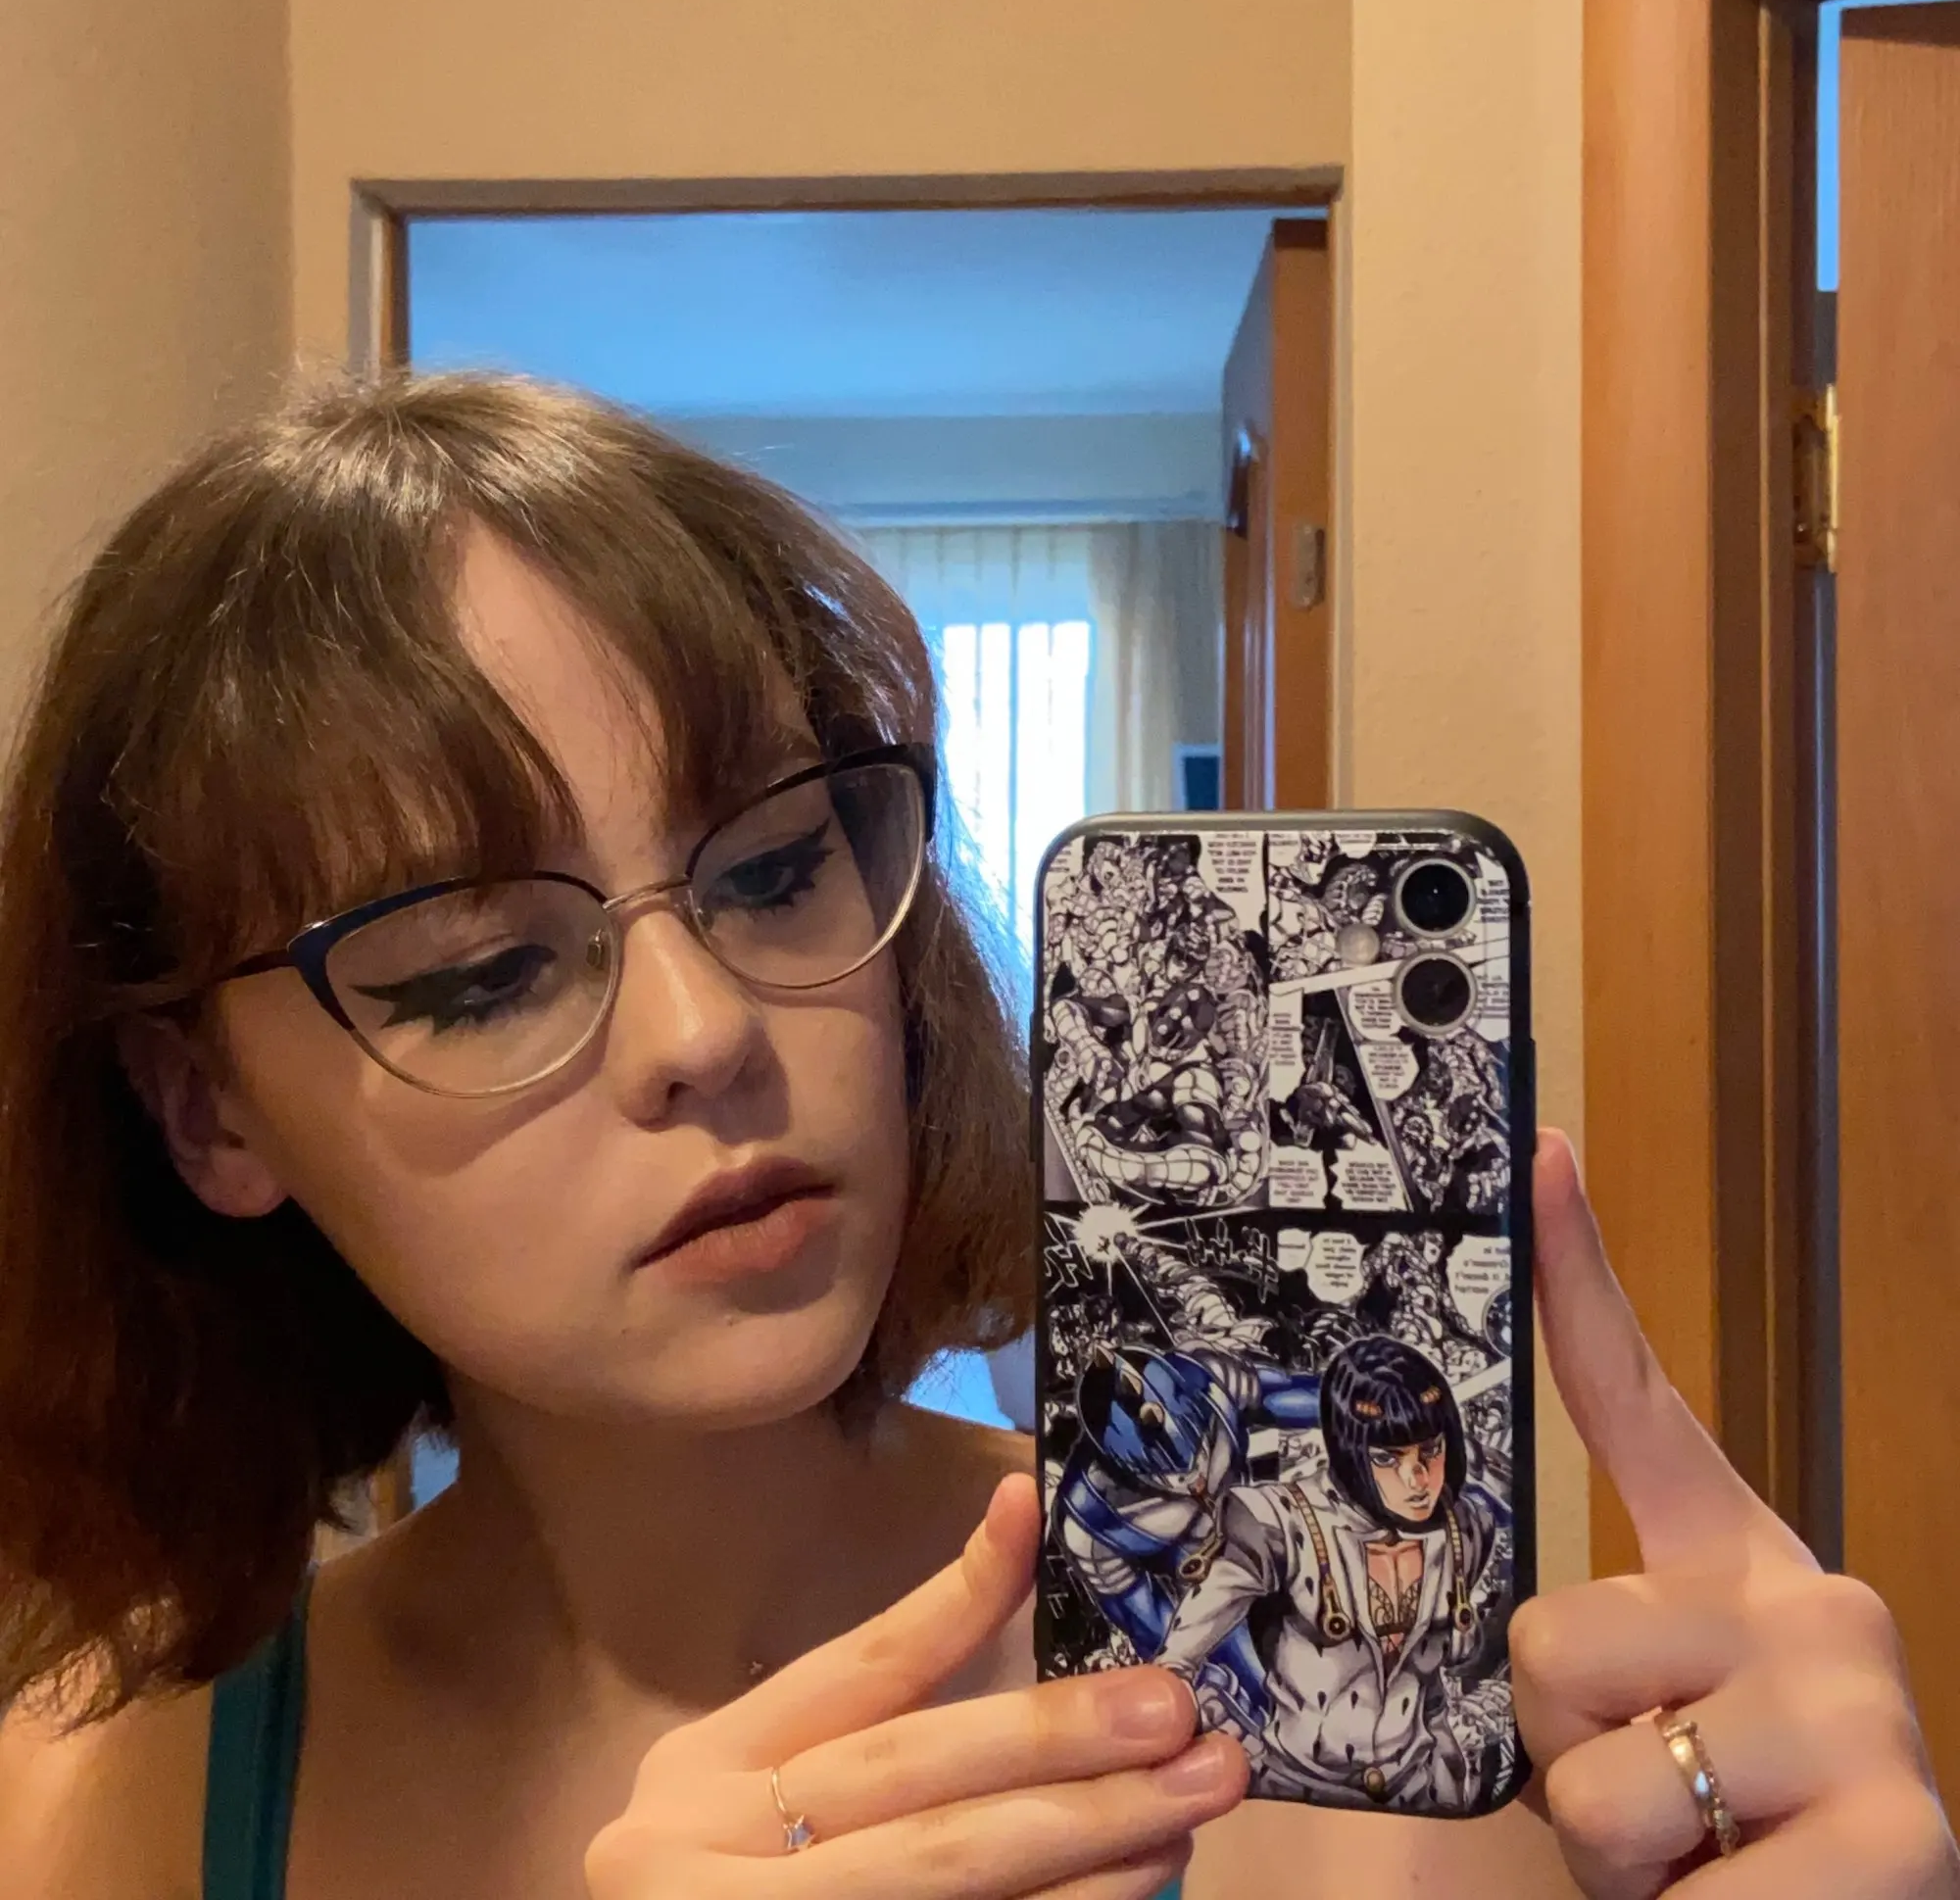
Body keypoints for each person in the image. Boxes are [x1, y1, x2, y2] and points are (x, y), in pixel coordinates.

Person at [0, 371, 1947, 1900]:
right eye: (482, 970)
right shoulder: (106, 1794)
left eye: (776, 866)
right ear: (206, 1107)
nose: (707, 1033)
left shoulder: (1310, 1726)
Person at [1157, 1336, 1505, 1815]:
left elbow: (1434, 1673)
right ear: (1351, 1452)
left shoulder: (1466, 1528)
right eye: (1387, 1458)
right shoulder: (1278, 1522)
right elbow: (1178, 1659)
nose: (1417, 1479)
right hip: (1296, 1794)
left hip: (1424, 1789)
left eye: (1430, 1450)